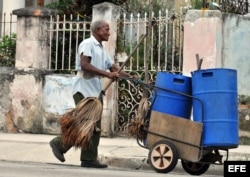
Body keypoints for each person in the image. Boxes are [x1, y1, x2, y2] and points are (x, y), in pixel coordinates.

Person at [49, 20, 133, 168]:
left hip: (95, 92)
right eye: (106, 29)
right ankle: (63, 146)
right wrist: (107, 75)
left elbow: (114, 69)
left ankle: (85, 157)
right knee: (87, 124)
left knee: (93, 126)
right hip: (83, 90)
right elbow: (85, 65)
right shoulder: (88, 44)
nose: (109, 32)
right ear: (98, 30)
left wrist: (131, 78)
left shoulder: (102, 49)